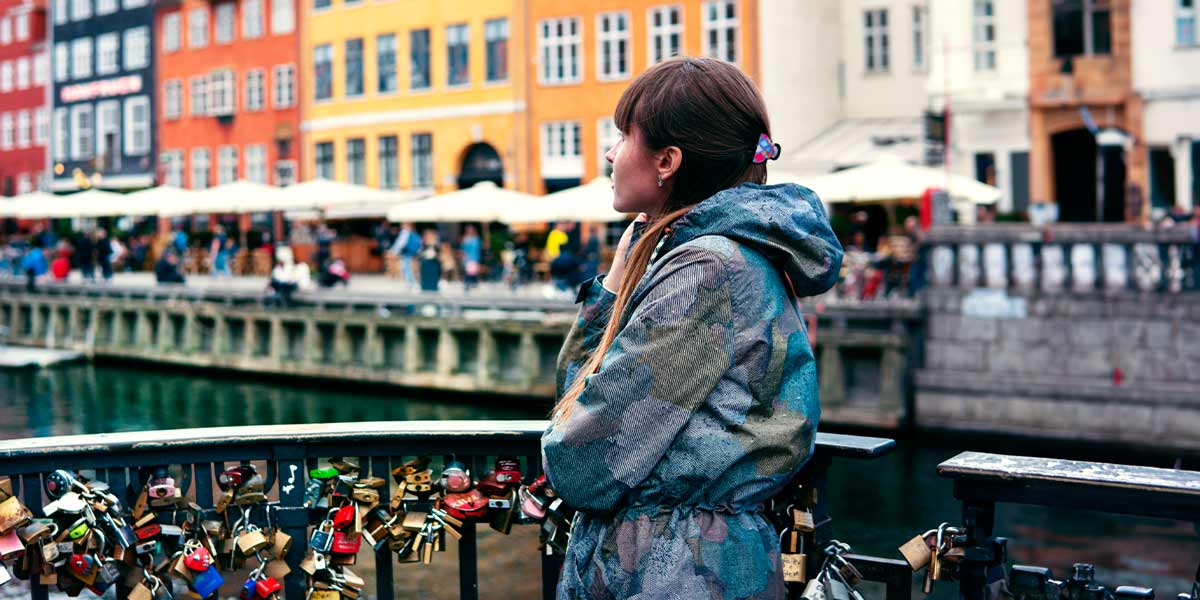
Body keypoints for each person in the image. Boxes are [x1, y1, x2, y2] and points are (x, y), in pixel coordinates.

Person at [541, 57, 842, 600]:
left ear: (667, 161)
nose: (609, 154)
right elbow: (580, 399)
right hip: (690, 563)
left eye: (621, 137)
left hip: (674, 572)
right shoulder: (715, 255)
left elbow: (581, 461)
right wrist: (617, 275)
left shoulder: (706, 270)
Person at [389, 222, 421, 289]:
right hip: (413, 253)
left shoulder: (405, 233)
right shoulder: (413, 233)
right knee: (411, 268)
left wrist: (393, 251)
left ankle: (411, 283)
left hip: (407, 253)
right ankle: (412, 283)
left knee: (406, 268)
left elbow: (400, 243)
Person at [461, 225, 482, 291]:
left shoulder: (476, 239)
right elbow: (463, 249)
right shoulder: (465, 239)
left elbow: (478, 249)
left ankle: (474, 284)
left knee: (474, 272)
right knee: (468, 272)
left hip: (475, 257)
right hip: (468, 258)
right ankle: (468, 284)